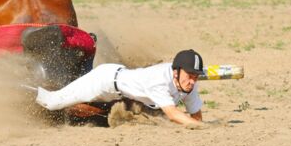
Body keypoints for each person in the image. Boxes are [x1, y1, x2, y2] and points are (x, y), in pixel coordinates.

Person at [35, 49, 205, 127]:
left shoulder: (188, 84)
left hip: (118, 86)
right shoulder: (159, 80)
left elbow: (196, 115)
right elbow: (173, 114)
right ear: (176, 72)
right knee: (53, 102)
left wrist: (197, 122)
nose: (192, 81)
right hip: (104, 82)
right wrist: (203, 128)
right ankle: (20, 87)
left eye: (195, 76)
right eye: (189, 75)